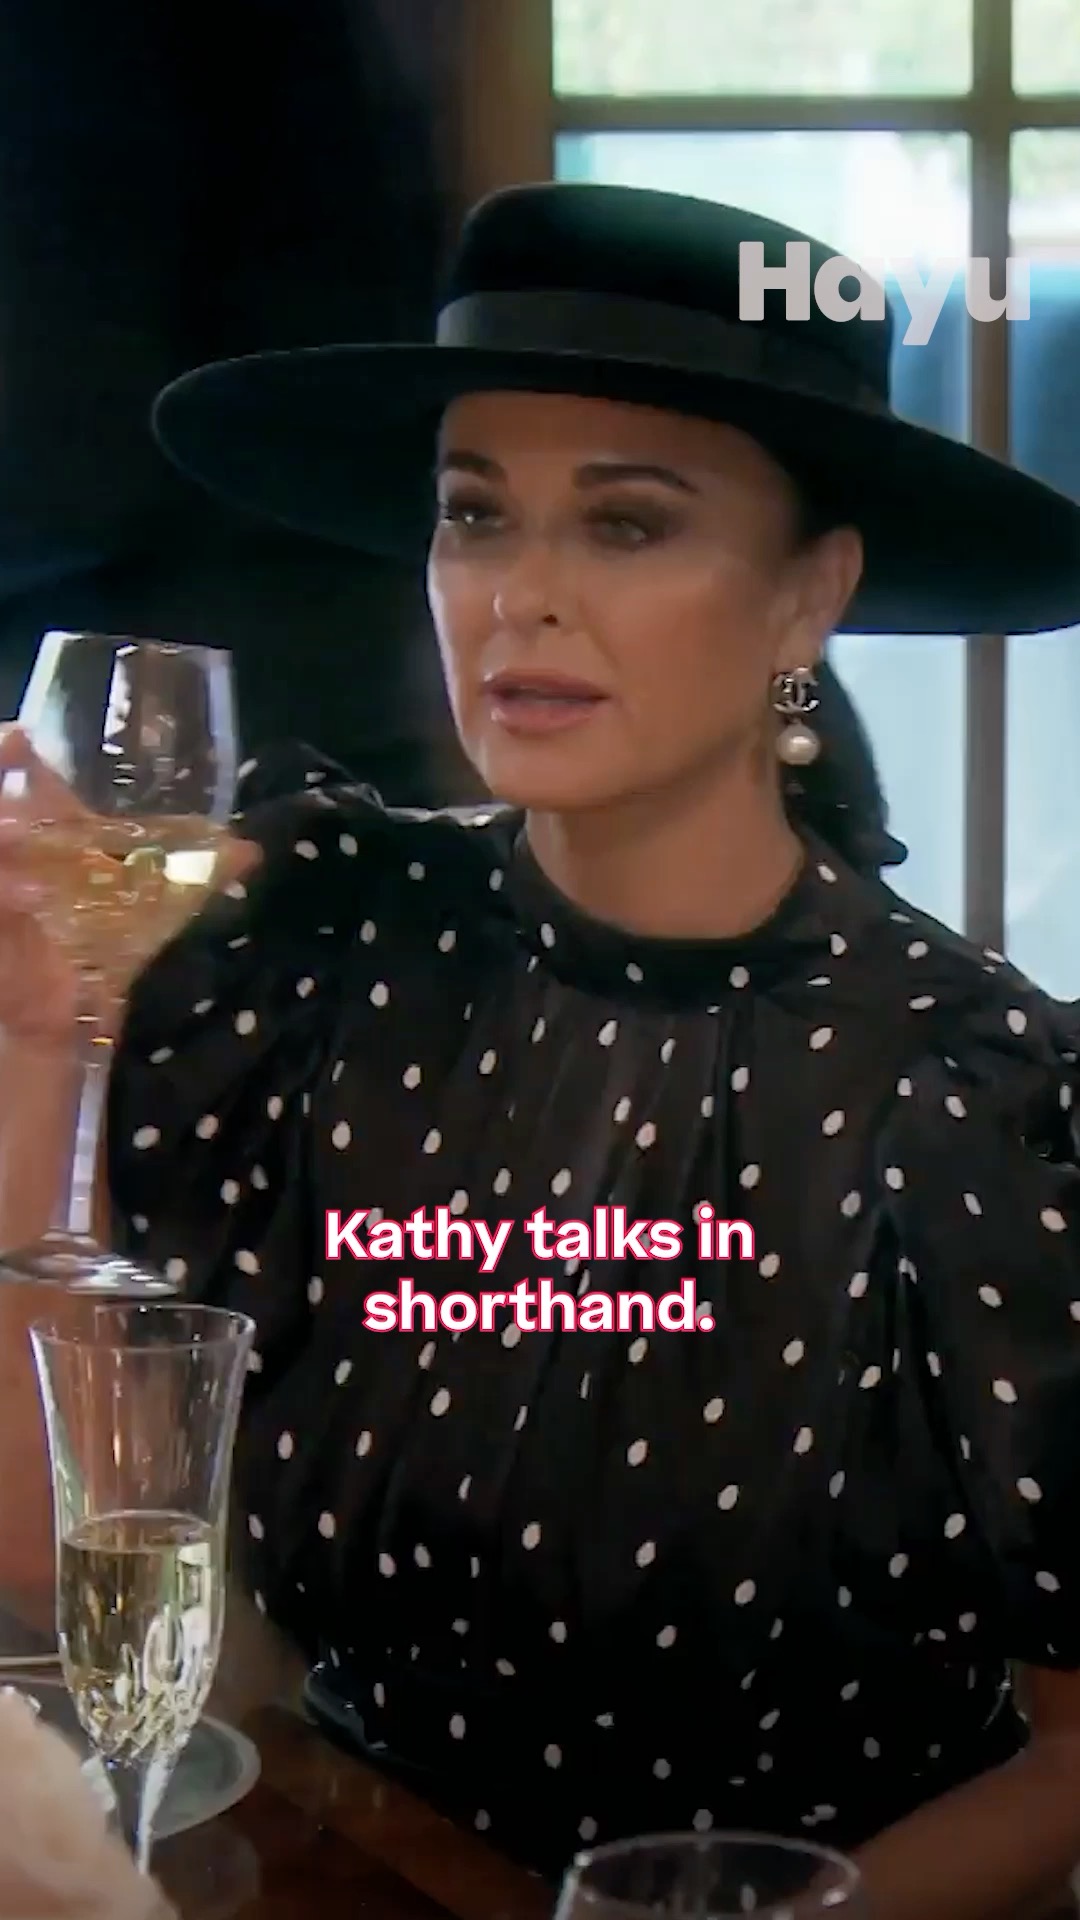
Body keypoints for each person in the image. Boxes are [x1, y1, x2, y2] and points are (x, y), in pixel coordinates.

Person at [3, 182, 1080, 1920]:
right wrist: (39, 1042)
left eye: (629, 525)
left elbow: (1076, 1756)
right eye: (475, 515)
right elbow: (74, 1566)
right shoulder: (317, 949)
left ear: (809, 594)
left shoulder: (979, 1089)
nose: (521, 596)